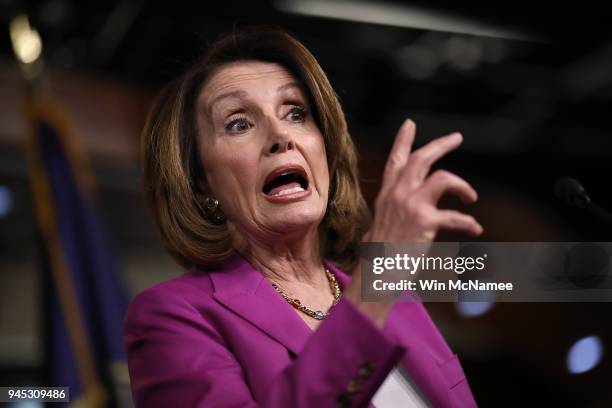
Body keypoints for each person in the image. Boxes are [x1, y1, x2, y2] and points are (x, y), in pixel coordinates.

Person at [124, 26, 483, 407]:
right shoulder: (172, 316)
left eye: (296, 113)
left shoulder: (398, 299)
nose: (281, 135)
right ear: (200, 184)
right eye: (239, 123)